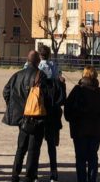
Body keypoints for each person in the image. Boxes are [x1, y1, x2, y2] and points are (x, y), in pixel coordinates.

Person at [4, 50, 61, 182]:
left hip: (21, 117)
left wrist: (14, 106)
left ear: (27, 60)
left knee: (20, 147)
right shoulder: (39, 75)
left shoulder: (17, 75)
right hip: (35, 117)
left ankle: (15, 174)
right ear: (37, 62)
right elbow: (47, 95)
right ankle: (29, 176)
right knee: (33, 148)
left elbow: (6, 91)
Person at [63, 66, 100, 182]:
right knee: (93, 157)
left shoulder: (77, 90)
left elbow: (67, 109)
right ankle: (92, 179)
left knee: (80, 158)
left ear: (84, 75)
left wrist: (72, 120)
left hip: (79, 130)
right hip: (95, 130)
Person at [36, 45, 65, 182]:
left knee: (35, 145)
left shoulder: (37, 68)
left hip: (39, 111)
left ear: (40, 55)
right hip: (53, 112)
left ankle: (33, 172)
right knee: (51, 145)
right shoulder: (54, 67)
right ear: (49, 55)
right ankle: (54, 173)